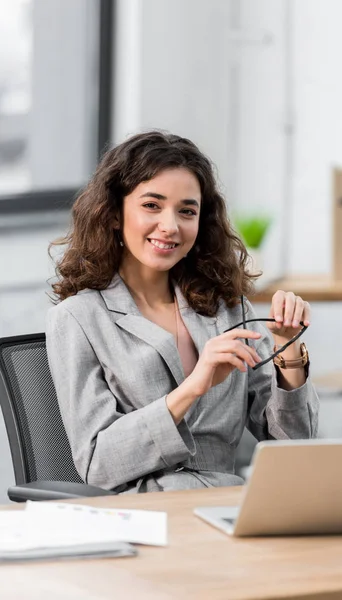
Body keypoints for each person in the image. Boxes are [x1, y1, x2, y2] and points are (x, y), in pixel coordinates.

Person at [46, 130, 319, 494]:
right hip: (144, 514)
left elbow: (295, 447)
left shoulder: (227, 309)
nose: (171, 226)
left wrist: (288, 353)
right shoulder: (79, 318)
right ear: (114, 214)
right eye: (152, 205)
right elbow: (98, 464)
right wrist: (193, 387)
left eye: (186, 211)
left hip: (226, 504)